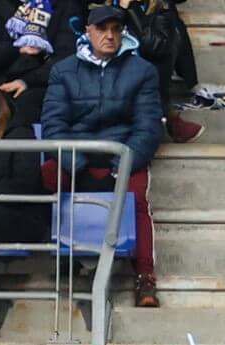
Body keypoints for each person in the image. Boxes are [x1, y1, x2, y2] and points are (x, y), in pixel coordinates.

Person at [37, 5, 165, 308]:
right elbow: (53, 127)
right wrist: (76, 165)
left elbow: (147, 127)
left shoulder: (142, 70)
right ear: (88, 32)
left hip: (121, 155)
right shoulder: (63, 69)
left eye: (115, 30)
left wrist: (122, 163)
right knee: (45, 176)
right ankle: (64, 259)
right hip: (77, 154)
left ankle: (144, 276)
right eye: (102, 29)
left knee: (137, 199)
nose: (109, 36)